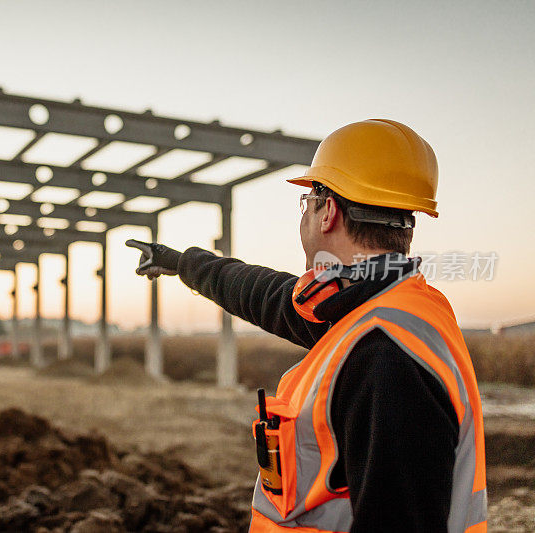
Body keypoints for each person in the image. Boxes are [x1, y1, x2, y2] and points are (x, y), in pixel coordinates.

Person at [125, 119, 487, 533]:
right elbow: (265, 294)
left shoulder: (386, 358)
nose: (306, 215)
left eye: (308, 202)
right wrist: (182, 263)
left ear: (328, 211)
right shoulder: (383, 309)